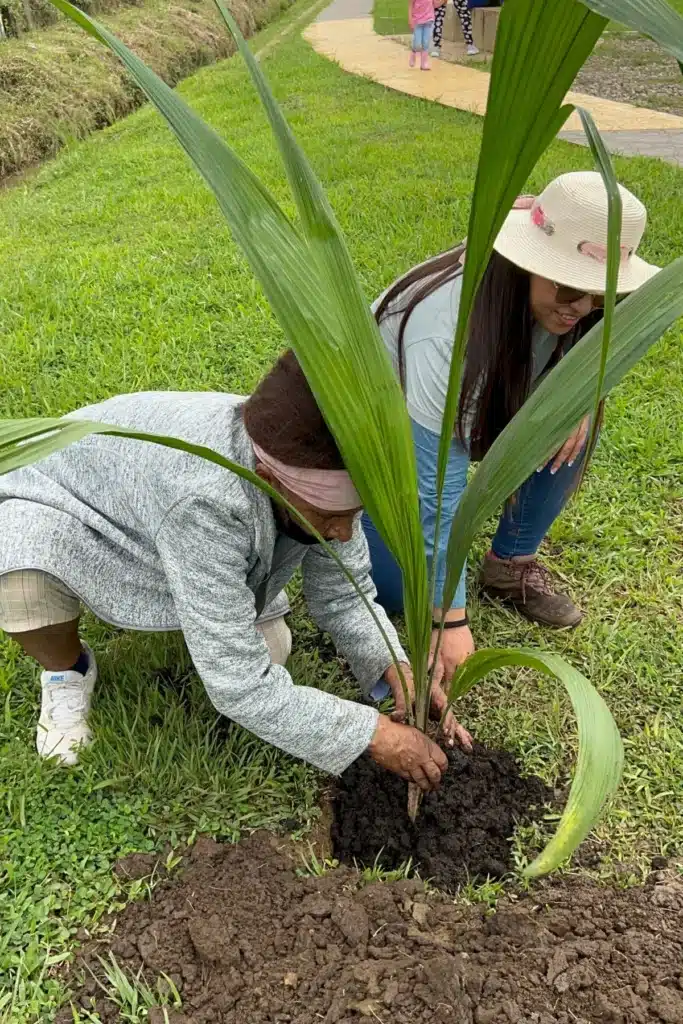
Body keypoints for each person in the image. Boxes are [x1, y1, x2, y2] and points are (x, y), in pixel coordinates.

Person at [0, 352, 467, 787]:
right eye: (330, 519)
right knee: (22, 589)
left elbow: (345, 594)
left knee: (272, 649)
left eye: (352, 516)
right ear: (268, 482)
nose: (343, 534)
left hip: (161, 515)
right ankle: (67, 670)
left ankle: (203, 612)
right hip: (73, 506)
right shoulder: (207, 500)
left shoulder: (315, 463)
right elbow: (239, 688)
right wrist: (374, 735)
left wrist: (393, 667)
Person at [364, 171, 659, 685]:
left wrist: (579, 399)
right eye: (569, 286)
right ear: (523, 265)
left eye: (602, 295)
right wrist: (447, 618)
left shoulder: (575, 307)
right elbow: (436, 487)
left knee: (569, 426)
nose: (583, 309)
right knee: (395, 592)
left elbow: (591, 353)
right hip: (387, 442)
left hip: (487, 408)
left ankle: (509, 565)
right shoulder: (445, 331)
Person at [409, 0, 436, 70]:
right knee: (417, 43)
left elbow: (435, 4)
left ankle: (424, 63)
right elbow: (410, 5)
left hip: (429, 20)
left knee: (426, 42)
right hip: (417, 21)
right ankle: (413, 52)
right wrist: (410, 19)